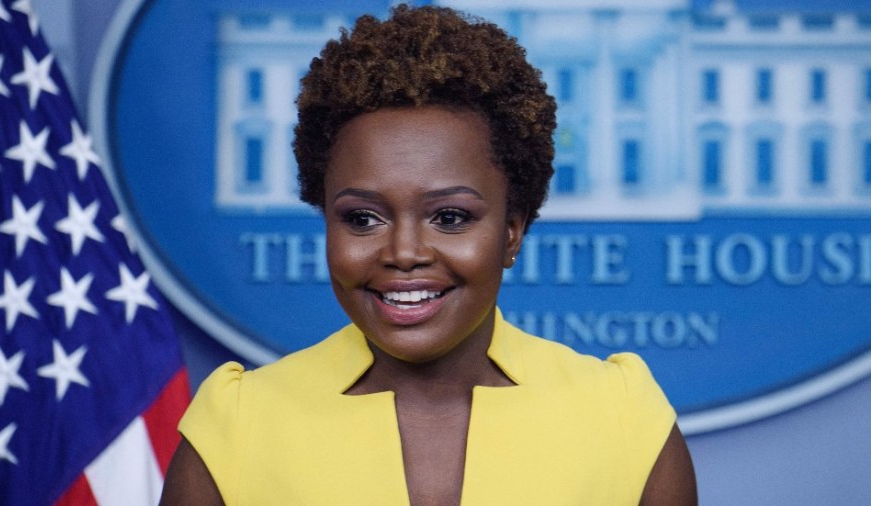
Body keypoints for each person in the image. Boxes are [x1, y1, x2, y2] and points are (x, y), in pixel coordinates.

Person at [161, 4, 697, 505]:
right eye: (363, 219)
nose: (404, 253)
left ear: (512, 231)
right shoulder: (235, 426)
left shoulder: (623, 419)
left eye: (450, 217)